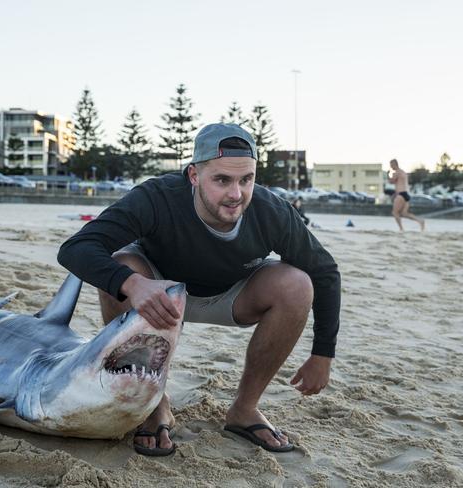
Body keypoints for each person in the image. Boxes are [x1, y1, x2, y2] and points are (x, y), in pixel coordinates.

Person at [58, 123, 341, 456]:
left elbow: (325, 272)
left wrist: (322, 354)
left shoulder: (271, 211)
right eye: (222, 180)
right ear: (194, 175)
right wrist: (132, 284)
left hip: (231, 295)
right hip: (159, 294)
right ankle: (153, 405)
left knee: (297, 284)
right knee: (122, 265)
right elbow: (76, 248)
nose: (236, 194)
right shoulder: (157, 197)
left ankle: (245, 408)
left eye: (246, 180)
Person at [387, 159, 424, 231]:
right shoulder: (403, 172)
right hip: (406, 194)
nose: (391, 167)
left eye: (391, 165)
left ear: (394, 164)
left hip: (401, 194)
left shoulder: (396, 172)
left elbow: (391, 181)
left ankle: (401, 229)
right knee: (404, 213)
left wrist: (388, 174)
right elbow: (400, 184)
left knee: (395, 212)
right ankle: (420, 221)